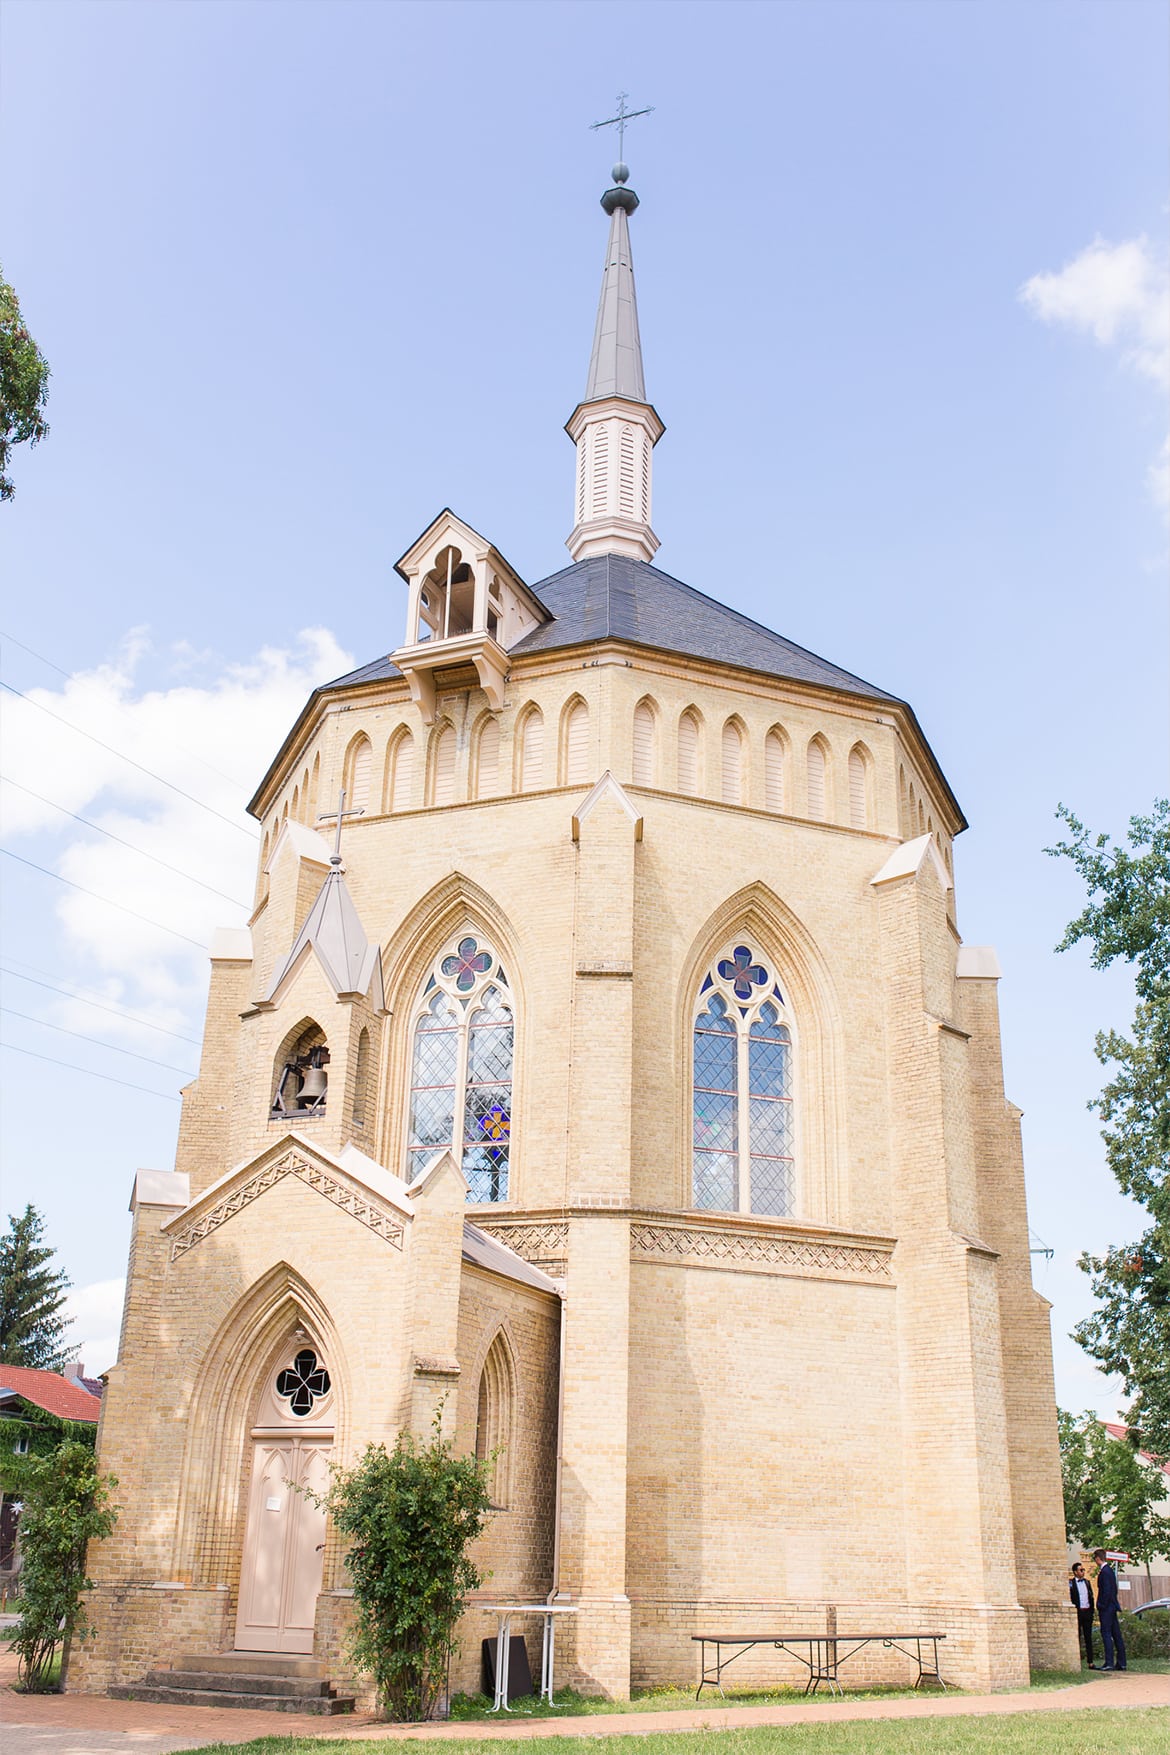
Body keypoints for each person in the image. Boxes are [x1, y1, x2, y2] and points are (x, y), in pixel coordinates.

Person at [1092, 1549, 1128, 1671]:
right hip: (1112, 1606)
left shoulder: (1105, 1572)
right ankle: (1122, 1663)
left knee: (1106, 1633)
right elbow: (1114, 1589)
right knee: (1116, 1634)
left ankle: (1109, 1662)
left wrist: (1101, 1604)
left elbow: (1106, 1591)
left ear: (1098, 1558)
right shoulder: (1110, 1571)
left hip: (1107, 1608)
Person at [1069, 1562, 1095, 1666]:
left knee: (1088, 1637)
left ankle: (1090, 1661)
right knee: (1077, 1636)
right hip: (1078, 1612)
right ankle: (1077, 1660)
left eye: (1083, 1570)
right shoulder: (1071, 1584)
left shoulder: (1087, 1583)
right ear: (1075, 1572)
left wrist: (1091, 1611)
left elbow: (1091, 1597)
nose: (1083, 1572)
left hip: (1087, 1611)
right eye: (1081, 1570)